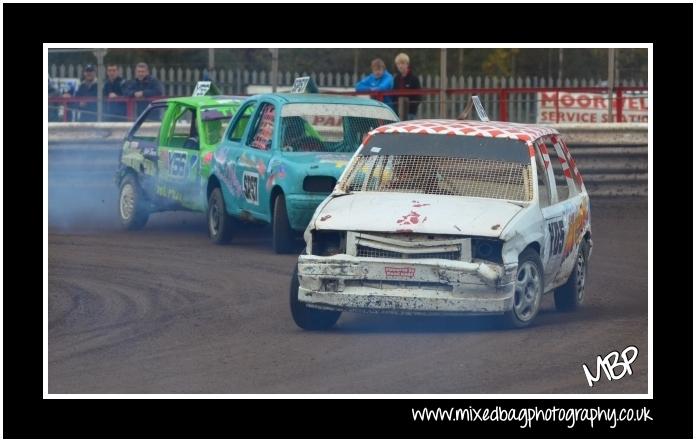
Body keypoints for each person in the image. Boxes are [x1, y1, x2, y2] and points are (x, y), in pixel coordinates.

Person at [392, 53, 421, 120]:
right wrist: (396, 108)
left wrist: (412, 108)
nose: (400, 66)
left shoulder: (414, 79)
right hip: (398, 113)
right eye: (398, 64)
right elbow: (394, 95)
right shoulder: (396, 78)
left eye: (402, 63)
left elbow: (418, 97)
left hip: (410, 113)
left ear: (407, 64)